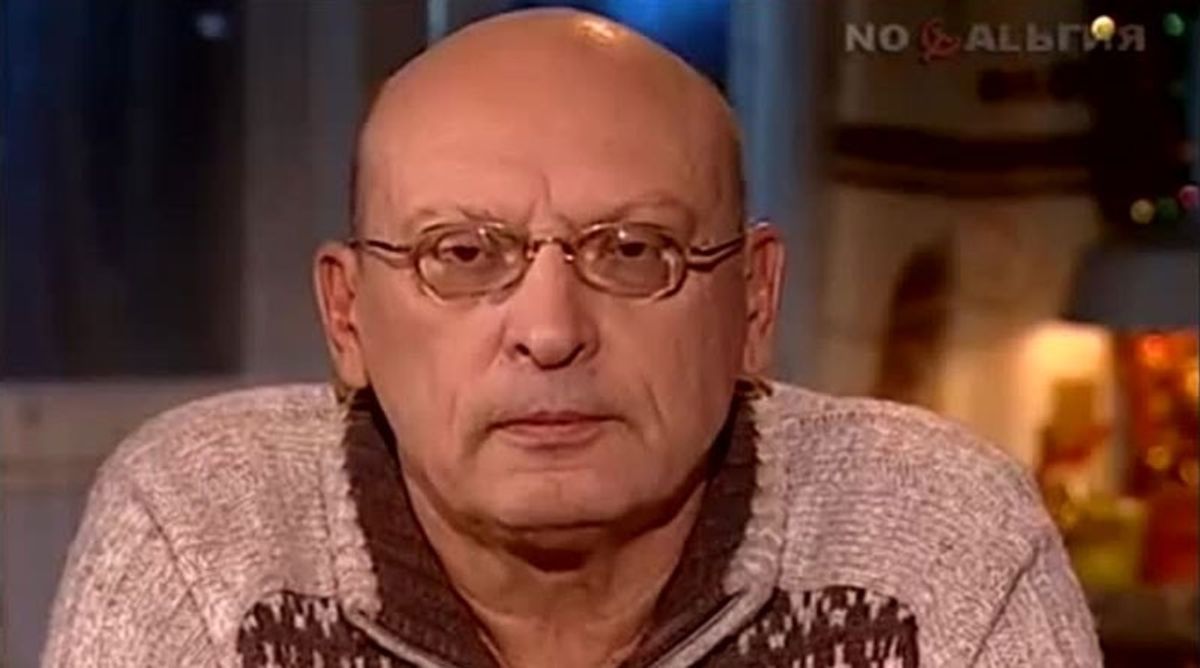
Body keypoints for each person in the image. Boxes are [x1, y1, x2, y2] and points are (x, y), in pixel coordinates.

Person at [42, 9, 1102, 668]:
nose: (550, 332)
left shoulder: (935, 534)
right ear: (347, 315)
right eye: (463, 253)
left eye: (634, 251)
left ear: (753, 303)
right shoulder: (204, 526)